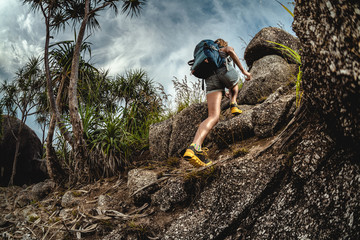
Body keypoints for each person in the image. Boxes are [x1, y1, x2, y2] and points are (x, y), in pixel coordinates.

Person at [183, 38, 252, 168]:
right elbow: (230, 50)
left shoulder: (208, 55)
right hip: (225, 73)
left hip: (210, 80)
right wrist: (243, 71)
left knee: (213, 116)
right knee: (234, 82)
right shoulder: (220, 49)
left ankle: (194, 147)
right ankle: (233, 103)